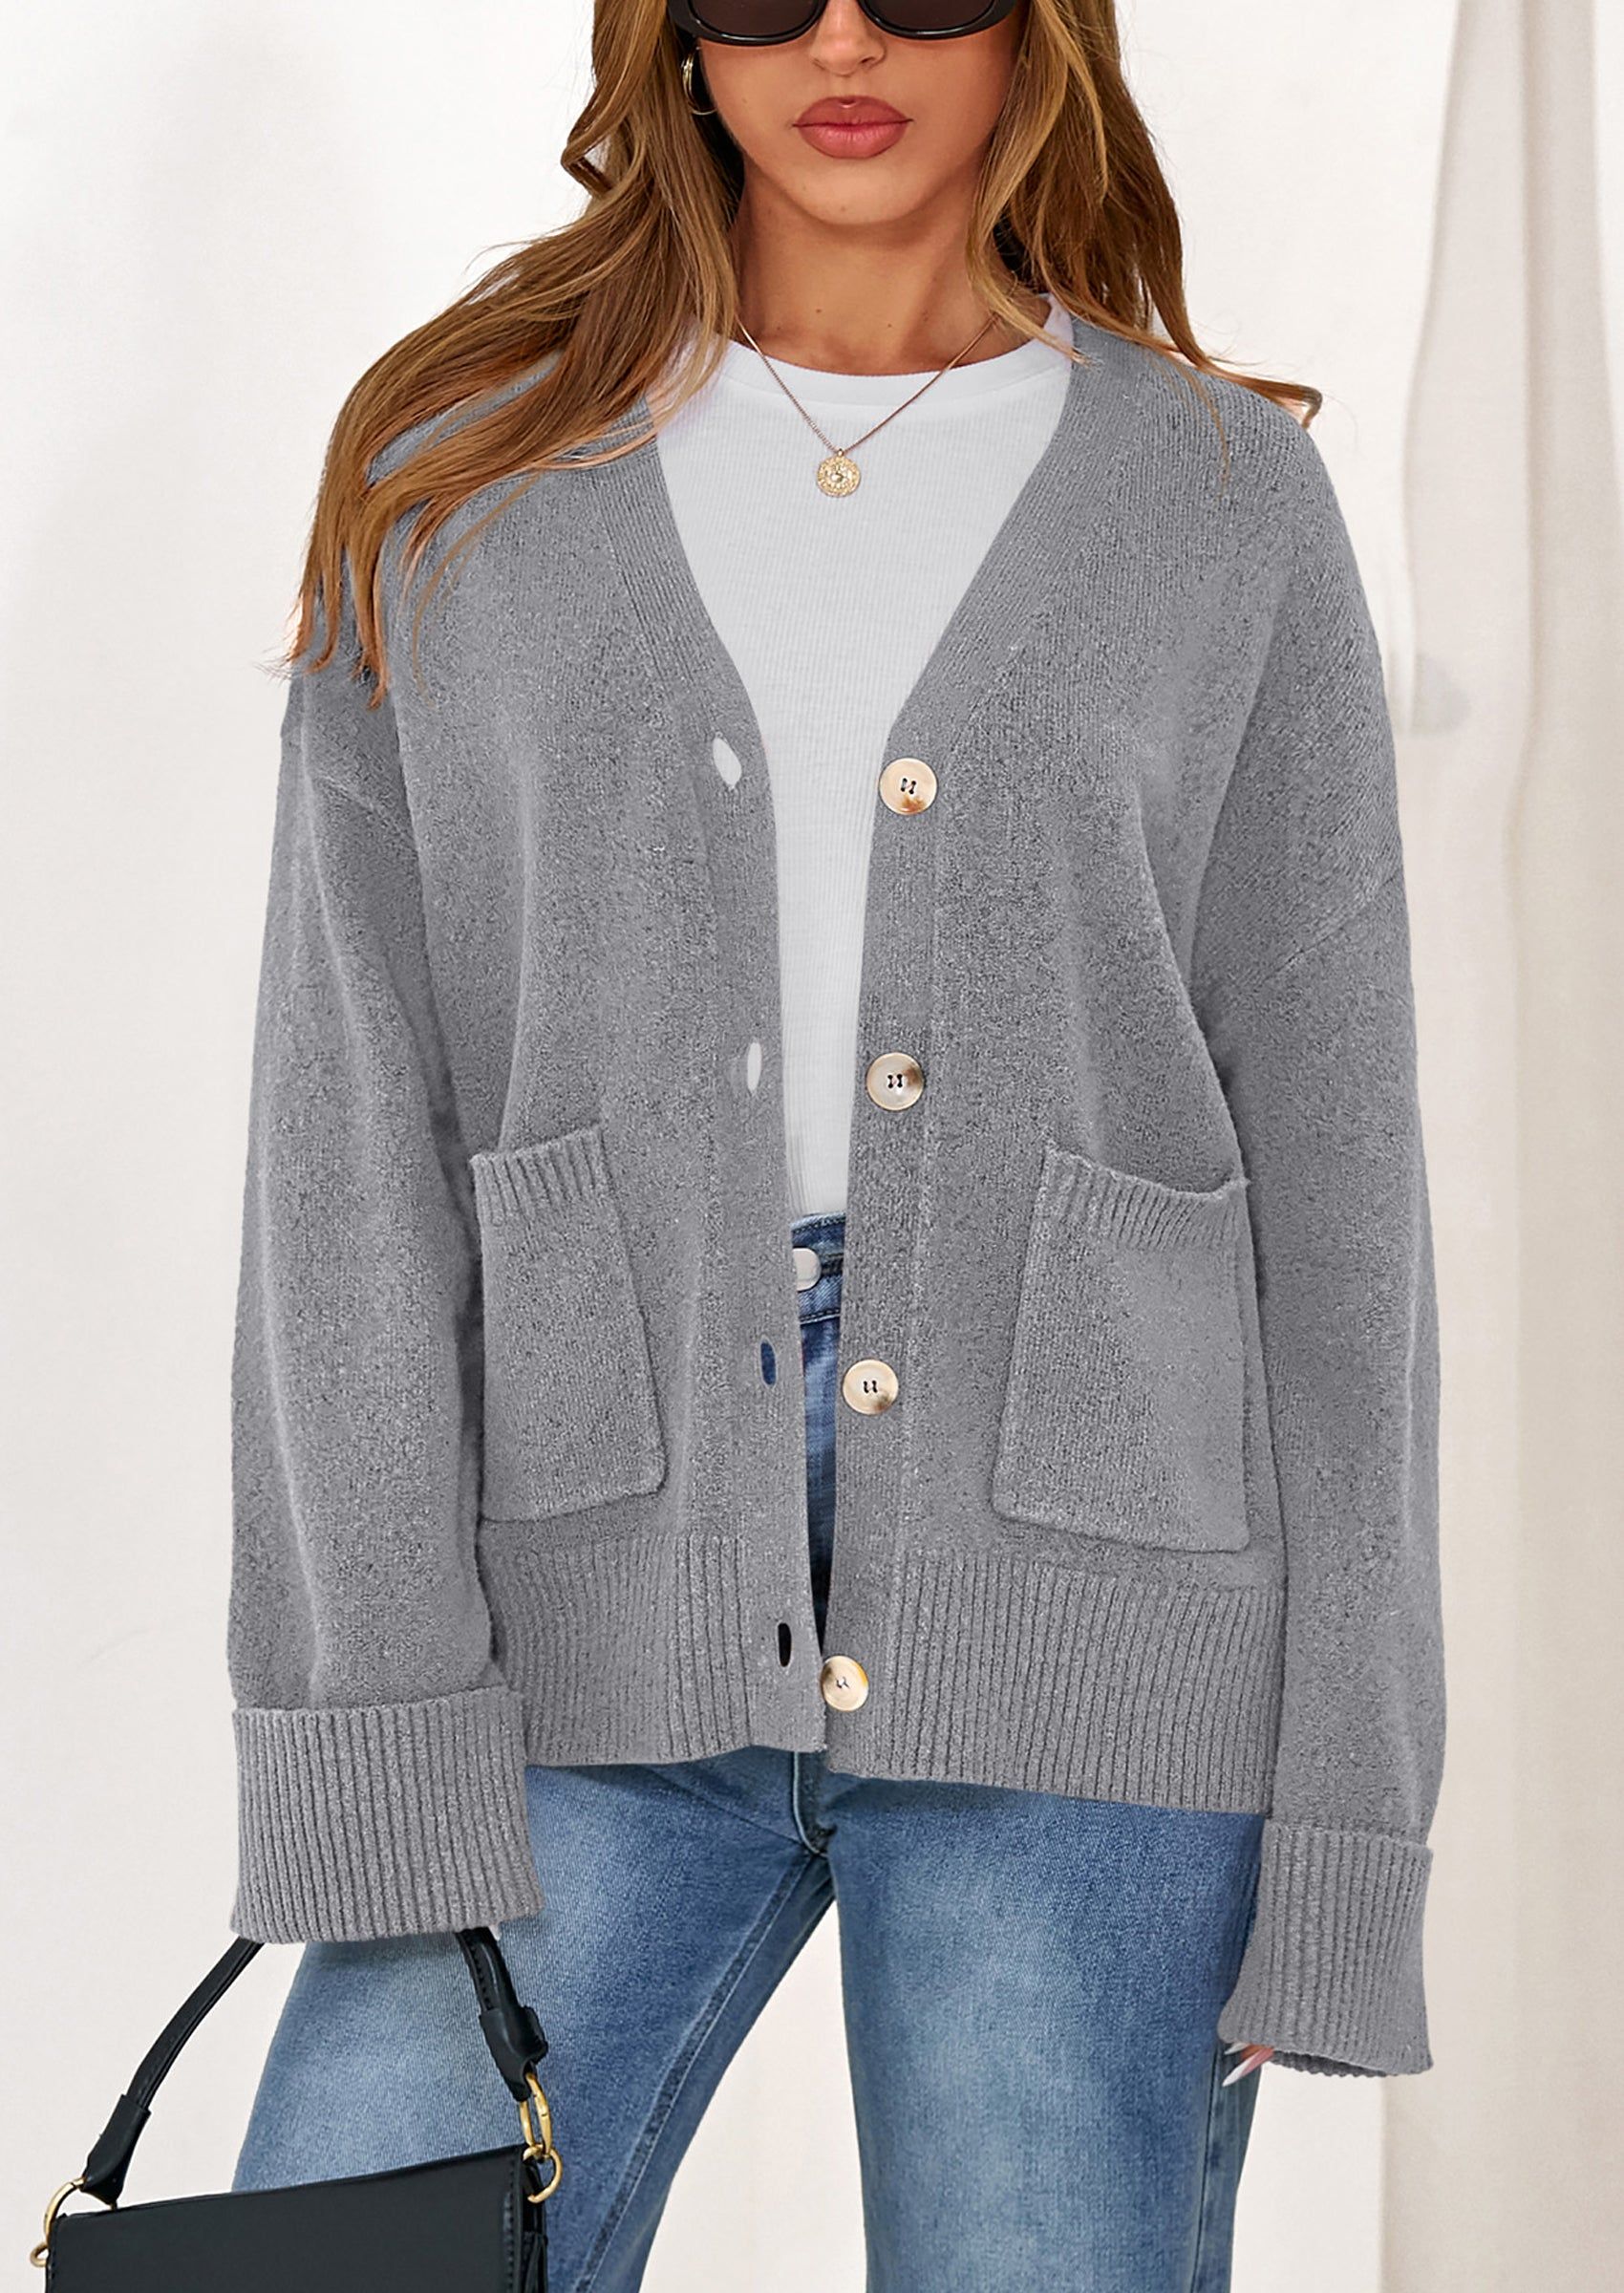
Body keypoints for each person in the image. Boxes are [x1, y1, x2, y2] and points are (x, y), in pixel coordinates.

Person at [224, 3, 1445, 2285]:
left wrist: (1349, 1832)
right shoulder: (459, 473)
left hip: (1101, 1629)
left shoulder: (1216, 505)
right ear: (672, 42)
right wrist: (369, 1727)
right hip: (565, 1594)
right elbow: (348, 1145)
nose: (845, 40)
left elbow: (1344, 1200)